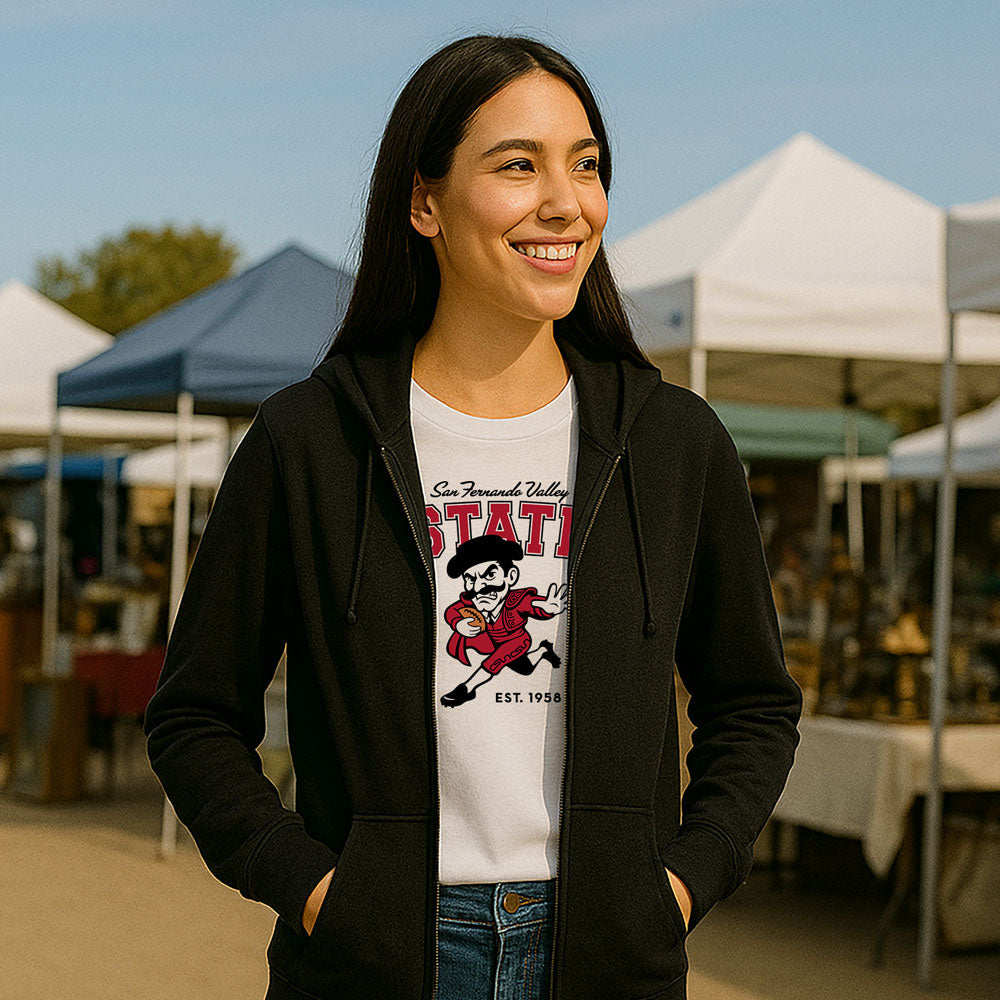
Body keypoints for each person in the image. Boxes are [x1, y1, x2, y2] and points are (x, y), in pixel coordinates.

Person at [143, 34, 802, 1000]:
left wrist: (677, 886)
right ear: (424, 202)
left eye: (586, 165)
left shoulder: (673, 443)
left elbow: (753, 703)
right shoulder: (307, 441)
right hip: (374, 958)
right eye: (517, 165)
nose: (565, 201)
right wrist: (319, 888)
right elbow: (196, 716)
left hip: (607, 955)